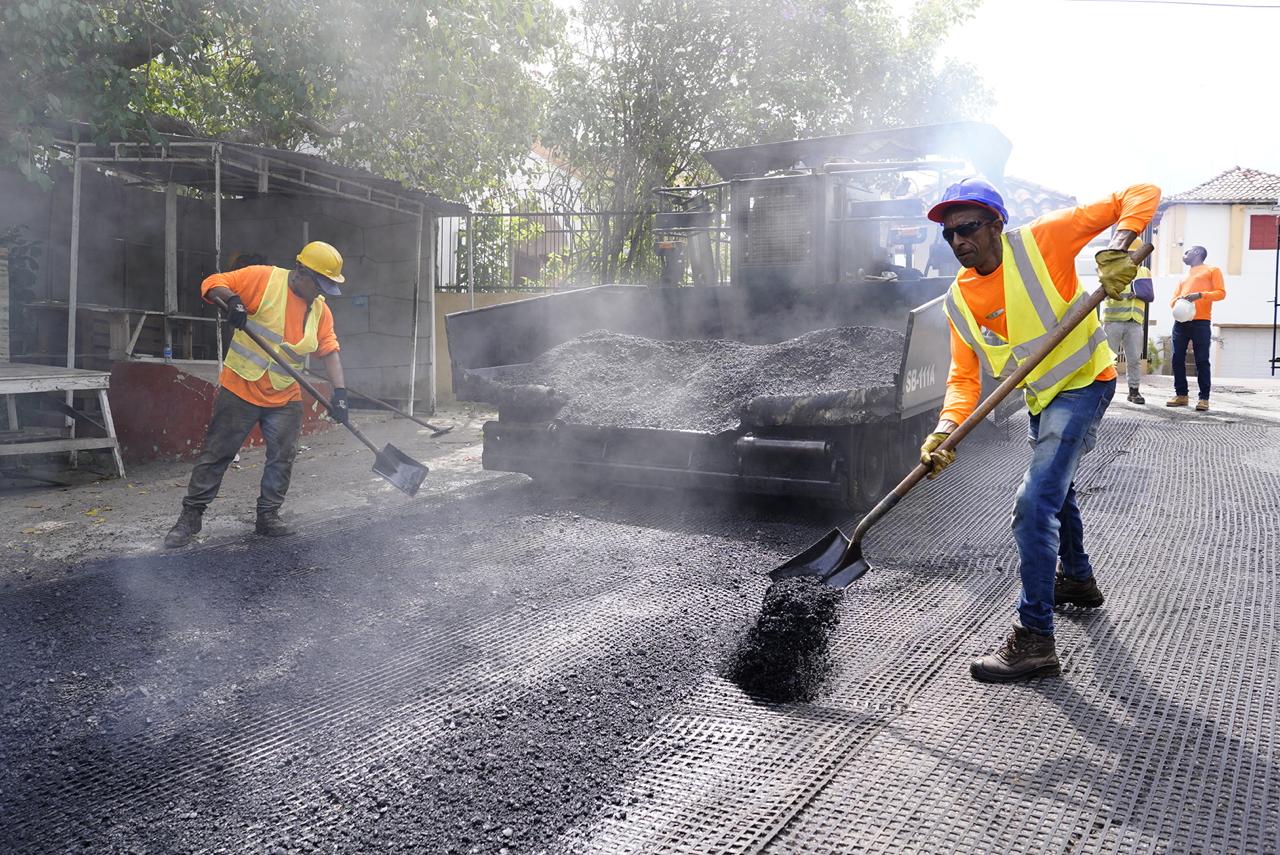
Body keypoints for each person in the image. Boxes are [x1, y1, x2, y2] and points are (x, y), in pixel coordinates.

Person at [918, 177, 1160, 683]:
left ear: (996, 224)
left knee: (1033, 504)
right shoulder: (958, 301)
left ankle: (1035, 639)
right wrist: (944, 431)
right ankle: (1076, 579)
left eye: (968, 228)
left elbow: (1140, 191)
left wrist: (1119, 247)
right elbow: (964, 379)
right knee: (1056, 487)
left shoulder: (1042, 241)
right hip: (1041, 397)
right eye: (949, 234)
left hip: (1086, 383)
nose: (960, 241)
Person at [163, 241, 351, 548]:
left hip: (283, 394)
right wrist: (234, 301)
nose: (321, 293)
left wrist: (340, 394)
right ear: (301, 271)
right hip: (242, 387)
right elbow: (213, 283)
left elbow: (329, 351)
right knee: (217, 454)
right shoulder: (263, 278)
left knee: (283, 456)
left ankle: (268, 516)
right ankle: (190, 518)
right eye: (319, 285)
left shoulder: (320, 311)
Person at [1166, 245, 1225, 411]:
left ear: (1198, 253)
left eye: (1188, 251)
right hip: (1181, 321)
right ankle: (1181, 395)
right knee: (1177, 358)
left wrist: (1200, 295)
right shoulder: (1184, 276)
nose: (1184, 254)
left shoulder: (1212, 270)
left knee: (1202, 360)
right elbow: (1173, 298)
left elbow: (1221, 293)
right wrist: (1177, 303)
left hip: (1201, 321)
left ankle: (1204, 398)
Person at [1102, 239, 1154, 404]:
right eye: (1129, 252)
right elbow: (1106, 288)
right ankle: (1104, 392)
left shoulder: (1145, 271)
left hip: (1135, 321)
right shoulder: (1114, 268)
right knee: (1108, 359)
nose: (1132, 255)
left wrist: (1138, 293)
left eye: (1134, 252)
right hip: (1113, 320)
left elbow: (1150, 295)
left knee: (1134, 360)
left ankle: (1134, 391)